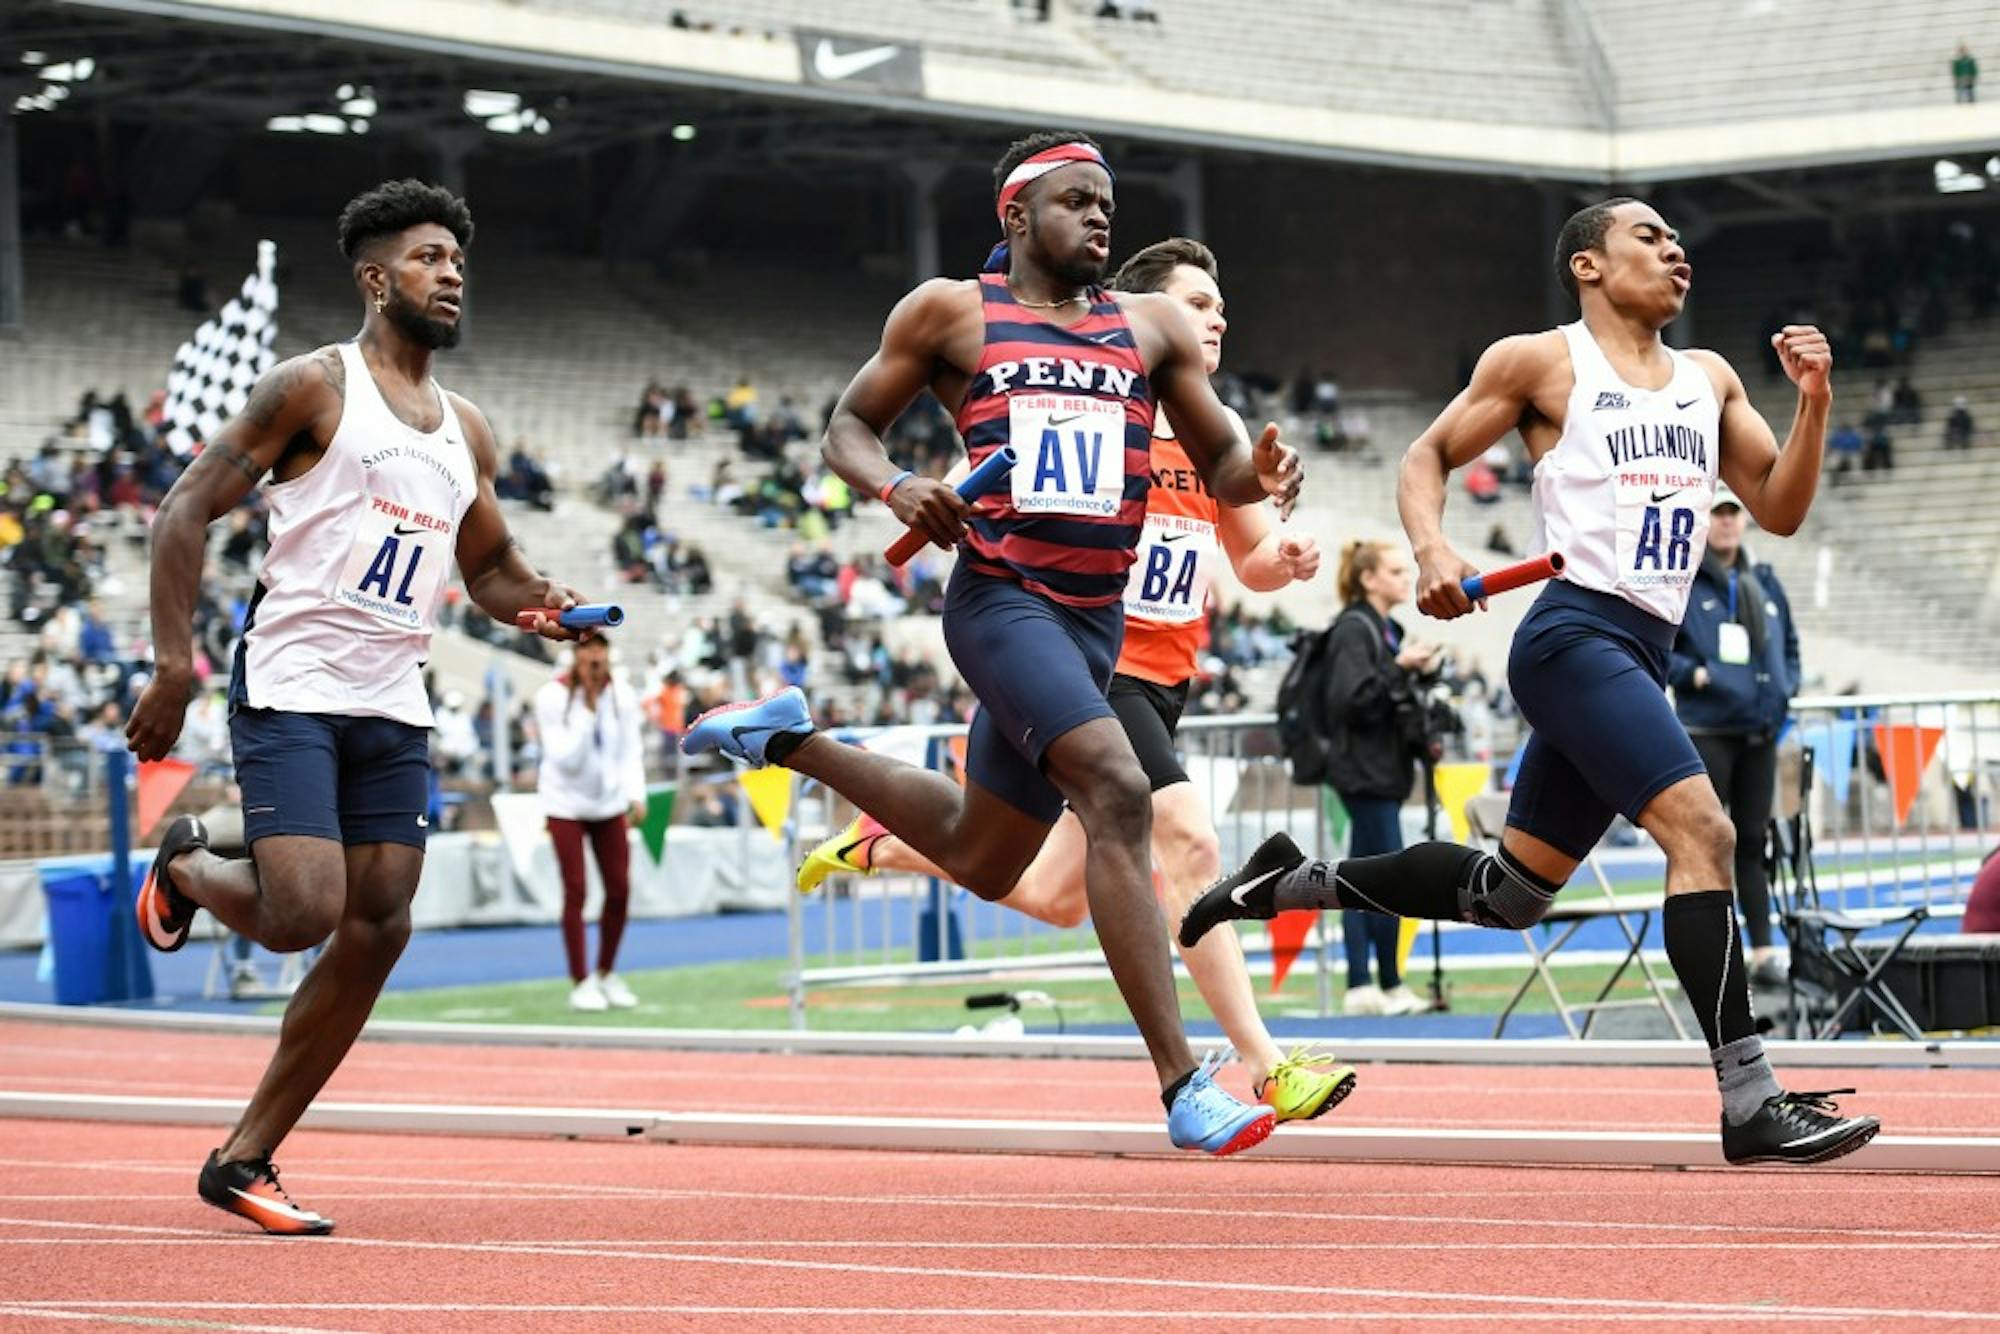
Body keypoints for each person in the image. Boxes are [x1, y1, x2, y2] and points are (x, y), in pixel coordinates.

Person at [1183, 197, 1881, 1166]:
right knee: (1703, 829)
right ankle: (1747, 1095)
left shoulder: (1708, 378)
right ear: (1587, 266)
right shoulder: (1540, 362)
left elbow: (1778, 504)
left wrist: (1810, 400)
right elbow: (1424, 454)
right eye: (1649, 236)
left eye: (1679, 239)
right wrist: (1429, 547)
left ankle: (1285, 879)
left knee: (1506, 894)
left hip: (1639, 649)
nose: (1675, 249)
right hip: (1572, 636)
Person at [684, 132, 1302, 1157]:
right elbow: (846, 426)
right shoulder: (950, 311)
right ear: (1015, 215)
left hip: (1091, 619)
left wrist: (1260, 471)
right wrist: (896, 486)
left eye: (1107, 202)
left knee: (981, 853)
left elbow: (1223, 460)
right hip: (1001, 598)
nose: (1099, 216)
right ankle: (1185, 1081)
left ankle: (791, 741)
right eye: (1074, 200)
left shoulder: (1149, 328)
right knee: (1114, 788)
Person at [795, 236, 1353, 1123]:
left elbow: (1248, 558)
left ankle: (887, 840)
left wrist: (1282, 560)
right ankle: (1263, 1062)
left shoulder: (1214, 438)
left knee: (1053, 894)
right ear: (1145, 316)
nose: (1214, 320)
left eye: (1220, 310)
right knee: (1187, 840)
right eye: (1197, 304)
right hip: (1094, 667)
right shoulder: (1086, 405)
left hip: (1166, 682)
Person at [125, 180, 586, 1234]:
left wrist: (543, 606)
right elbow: (183, 506)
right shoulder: (313, 387)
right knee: (303, 913)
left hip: (393, 698)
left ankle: (245, 1156)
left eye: (460, 260)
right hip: (293, 682)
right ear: (377, 279)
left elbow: (493, 569)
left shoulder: (465, 427)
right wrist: (171, 664)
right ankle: (189, 860)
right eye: (430, 257)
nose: (453, 273)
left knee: (379, 924)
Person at [1668, 484, 1800, 989]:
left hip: (1759, 729)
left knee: (1752, 840)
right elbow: (1660, 650)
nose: (1726, 522)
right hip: (1707, 729)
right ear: (1704, 521)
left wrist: (1786, 687)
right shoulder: (1682, 582)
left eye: (1733, 513)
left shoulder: (1762, 581)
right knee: (1700, 844)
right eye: (1717, 513)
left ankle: (1764, 951)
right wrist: (1694, 675)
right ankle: (1701, 960)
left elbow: (1789, 644)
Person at [1320, 540, 1440, 1017]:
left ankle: (1371, 983)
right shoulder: (1355, 628)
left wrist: (1416, 672)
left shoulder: (1387, 629)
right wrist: (1400, 667)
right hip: (1363, 769)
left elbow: (1385, 695)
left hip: (1383, 767)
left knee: (1369, 874)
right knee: (1385, 874)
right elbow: (1351, 700)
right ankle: (1377, 983)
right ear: (1368, 578)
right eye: (1393, 570)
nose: (1403, 578)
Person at [534, 636, 647, 1012]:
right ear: (575, 654)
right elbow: (564, 758)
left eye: (600, 648)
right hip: (564, 802)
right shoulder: (552, 696)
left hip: (608, 801)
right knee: (576, 889)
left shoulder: (623, 695)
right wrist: (586, 707)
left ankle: (606, 972)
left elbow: (630, 748)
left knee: (619, 888)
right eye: (586, 649)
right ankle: (580, 980)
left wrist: (637, 793)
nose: (594, 656)